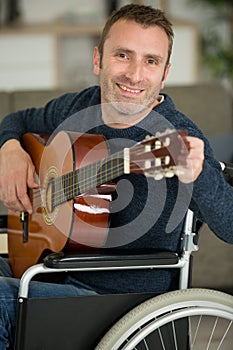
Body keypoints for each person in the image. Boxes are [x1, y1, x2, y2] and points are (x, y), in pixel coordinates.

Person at [0, 3, 232, 349]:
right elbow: (17, 120)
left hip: (115, 302)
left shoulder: (178, 137)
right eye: (123, 55)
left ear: (164, 74)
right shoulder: (81, 106)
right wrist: (10, 151)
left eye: (150, 61)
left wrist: (198, 175)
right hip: (54, 271)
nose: (135, 75)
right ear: (98, 60)